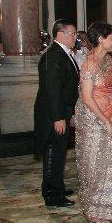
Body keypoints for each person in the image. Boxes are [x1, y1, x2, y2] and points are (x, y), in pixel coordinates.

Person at [75, 22, 112, 223]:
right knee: (96, 163)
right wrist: (105, 120)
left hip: (109, 112)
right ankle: (95, 209)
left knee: (111, 161)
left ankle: (109, 206)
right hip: (93, 117)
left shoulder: (108, 59)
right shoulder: (90, 63)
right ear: (101, 39)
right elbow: (87, 97)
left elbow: (111, 85)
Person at [34, 19, 80, 208]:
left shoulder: (63, 53)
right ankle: (53, 195)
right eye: (73, 33)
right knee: (53, 152)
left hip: (63, 111)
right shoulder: (53, 56)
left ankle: (57, 187)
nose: (76, 37)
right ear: (60, 34)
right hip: (54, 115)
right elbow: (52, 90)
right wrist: (58, 117)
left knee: (60, 152)